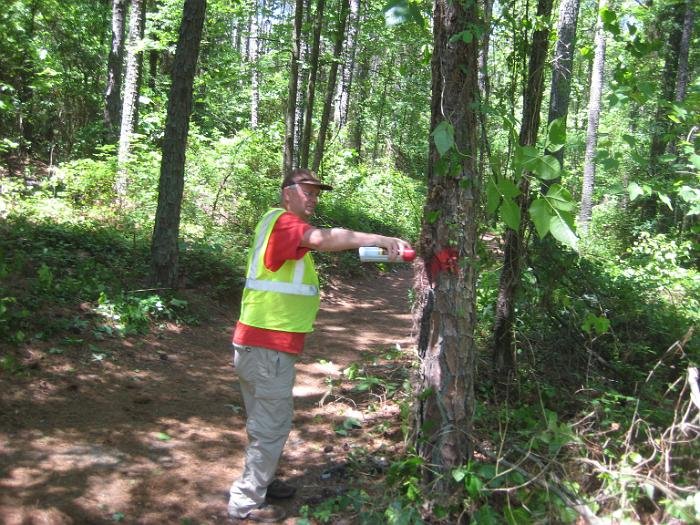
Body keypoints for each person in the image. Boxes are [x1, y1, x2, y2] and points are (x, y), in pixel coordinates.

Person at [227, 168, 412, 522]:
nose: (313, 198)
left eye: (316, 193)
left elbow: (321, 246)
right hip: (267, 348)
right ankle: (245, 502)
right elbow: (325, 239)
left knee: (261, 422)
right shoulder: (283, 223)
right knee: (272, 426)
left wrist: (375, 248)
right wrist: (378, 237)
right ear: (286, 193)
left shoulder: (278, 227)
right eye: (306, 191)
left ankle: (261, 482)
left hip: (256, 345)